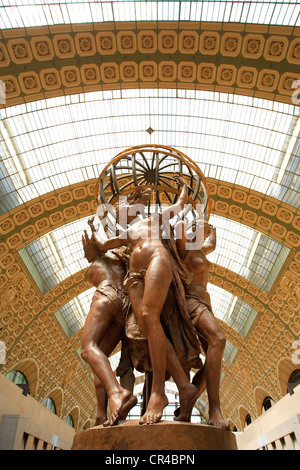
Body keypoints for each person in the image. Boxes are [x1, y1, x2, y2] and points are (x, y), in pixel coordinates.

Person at [91, 175, 199, 425]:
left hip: (156, 262)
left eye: (125, 207)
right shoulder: (127, 233)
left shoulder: (154, 219)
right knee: (147, 330)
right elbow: (104, 244)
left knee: (150, 318)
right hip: (134, 280)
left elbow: (180, 205)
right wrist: (97, 227)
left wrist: (183, 187)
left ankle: (158, 393)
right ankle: (184, 386)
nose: (123, 211)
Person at [80, 218, 137, 427]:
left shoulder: (95, 266)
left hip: (106, 295)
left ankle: (117, 393)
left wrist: (96, 232)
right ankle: (101, 414)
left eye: (86, 250)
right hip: (126, 306)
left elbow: (98, 249)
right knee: (100, 360)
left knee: (87, 348)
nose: (85, 255)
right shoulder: (119, 257)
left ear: (93, 248)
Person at [175, 218, 229, 430]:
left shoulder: (201, 249)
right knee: (219, 339)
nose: (204, 233)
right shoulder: (184, 248)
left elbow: (213, 244)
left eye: (206, 230)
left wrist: (213, 229)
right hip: (191, 303)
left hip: (205, 303)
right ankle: (214, 409)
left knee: (213, 360)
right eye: (201, 229)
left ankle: (188, 403)